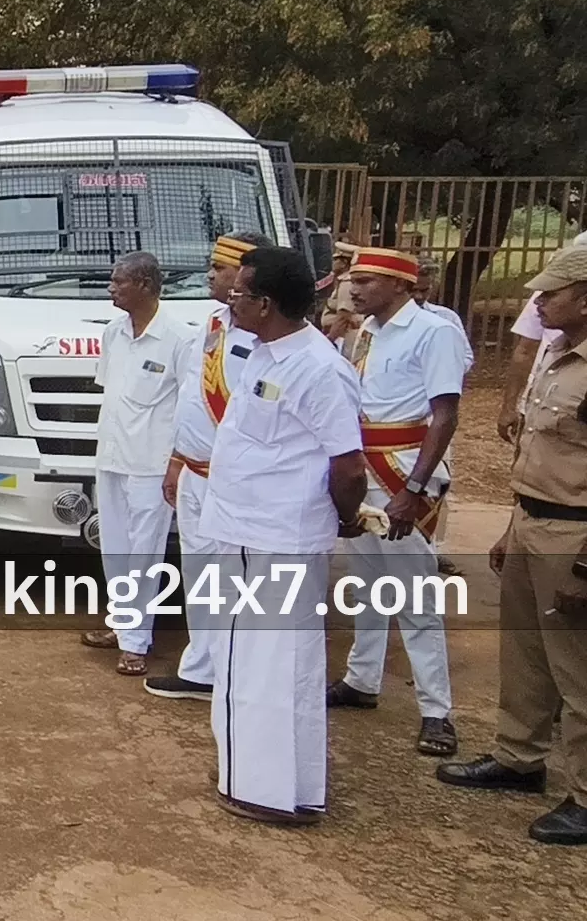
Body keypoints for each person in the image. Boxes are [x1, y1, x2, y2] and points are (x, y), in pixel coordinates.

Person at [199, 245, 367, 825]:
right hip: (245, 531)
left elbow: (349, 468)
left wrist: (345, 518)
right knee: (250, 662)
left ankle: (270, 791)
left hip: (277, 538)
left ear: (266, 303)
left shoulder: (319, 369)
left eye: (239, 293)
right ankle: (259, 777)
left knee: (274, 666)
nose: (230, 300)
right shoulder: (266, 353)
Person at [436, 244, 587, 846]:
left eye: (550, 293)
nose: (537, 302)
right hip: (532, 520)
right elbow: (543, 454)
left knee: (577, 668)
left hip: (575, 534)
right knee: (525, 652)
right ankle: (519, 757)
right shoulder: (558, 354)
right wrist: (511, 525)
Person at [326, 248, 463, 756]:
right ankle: (361, 679)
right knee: (366, 584)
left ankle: (436, 711)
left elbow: (445, 415)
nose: (355, 288)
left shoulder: (434, 332)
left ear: (402, 285)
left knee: (414, 595)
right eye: (354, 279)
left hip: (402, 471)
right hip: (363, 467)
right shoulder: (366, 331)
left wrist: (414, 490)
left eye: (368, 280)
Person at [148, 232, 267, 701]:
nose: (210, 275)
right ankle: (201, 668)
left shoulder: (266, 336)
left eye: (220, 268)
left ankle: (235, 672)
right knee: (200, 575)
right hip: (194, 471)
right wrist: (177, 459)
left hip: (232, 479)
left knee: (234, 579)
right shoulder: (215, 321)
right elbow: (193, 397)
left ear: (247, 275)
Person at [82, 251, 195, 677]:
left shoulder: (179, 339)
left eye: (118, 281)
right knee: (114, 547)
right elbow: (111, 392)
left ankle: (135, 642)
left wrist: (176, 461)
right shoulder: (114, 332)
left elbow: (189, 406)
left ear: (145, 285)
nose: (111, 288)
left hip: (151, 461)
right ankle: (121, 621)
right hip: (112, 456)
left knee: (145, 552)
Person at [496, 230, 587, 441]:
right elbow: (524, 351)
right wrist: (510, 406)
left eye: (550, 294)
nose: (537, 301)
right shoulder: (555, 351)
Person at [412, 257, 474, 372]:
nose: (418, 296)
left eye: (424, 290)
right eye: (413, 290)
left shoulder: (447, 317)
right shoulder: (383, 318)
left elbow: (466, 357)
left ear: (433, 286)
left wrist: (443, 372)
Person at [320, 241, 358, 341]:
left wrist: (330, 339)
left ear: (344, 263)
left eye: (335, 260)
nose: (332, 263)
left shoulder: (347, 283)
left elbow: (343, 317)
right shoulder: (341, 280)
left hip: (343, 337)